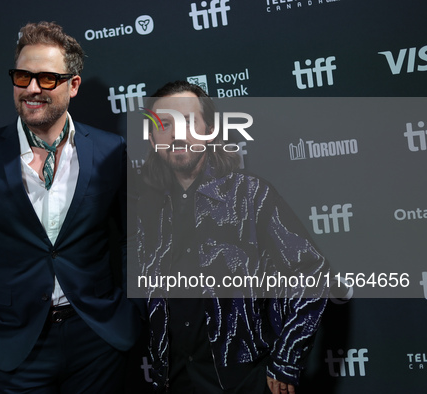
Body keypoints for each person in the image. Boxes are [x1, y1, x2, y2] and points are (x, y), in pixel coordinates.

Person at [0, 21, 141, 393]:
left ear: (72, 85)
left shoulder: (110, 150)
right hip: (10, 347)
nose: (31, 88)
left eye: (46, 79)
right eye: (22, 76)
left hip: (97, 340)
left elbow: (132, 242)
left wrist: (129, 315)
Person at [134, 81, 328, 393]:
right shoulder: (145, 208)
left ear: (209, 131)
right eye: (165, 124)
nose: (177, 134)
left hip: (243, 378)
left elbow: (312, 274)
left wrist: (286, 361)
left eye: (187, 122)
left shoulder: (251, 195)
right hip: (175, 379)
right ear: (153, 136)